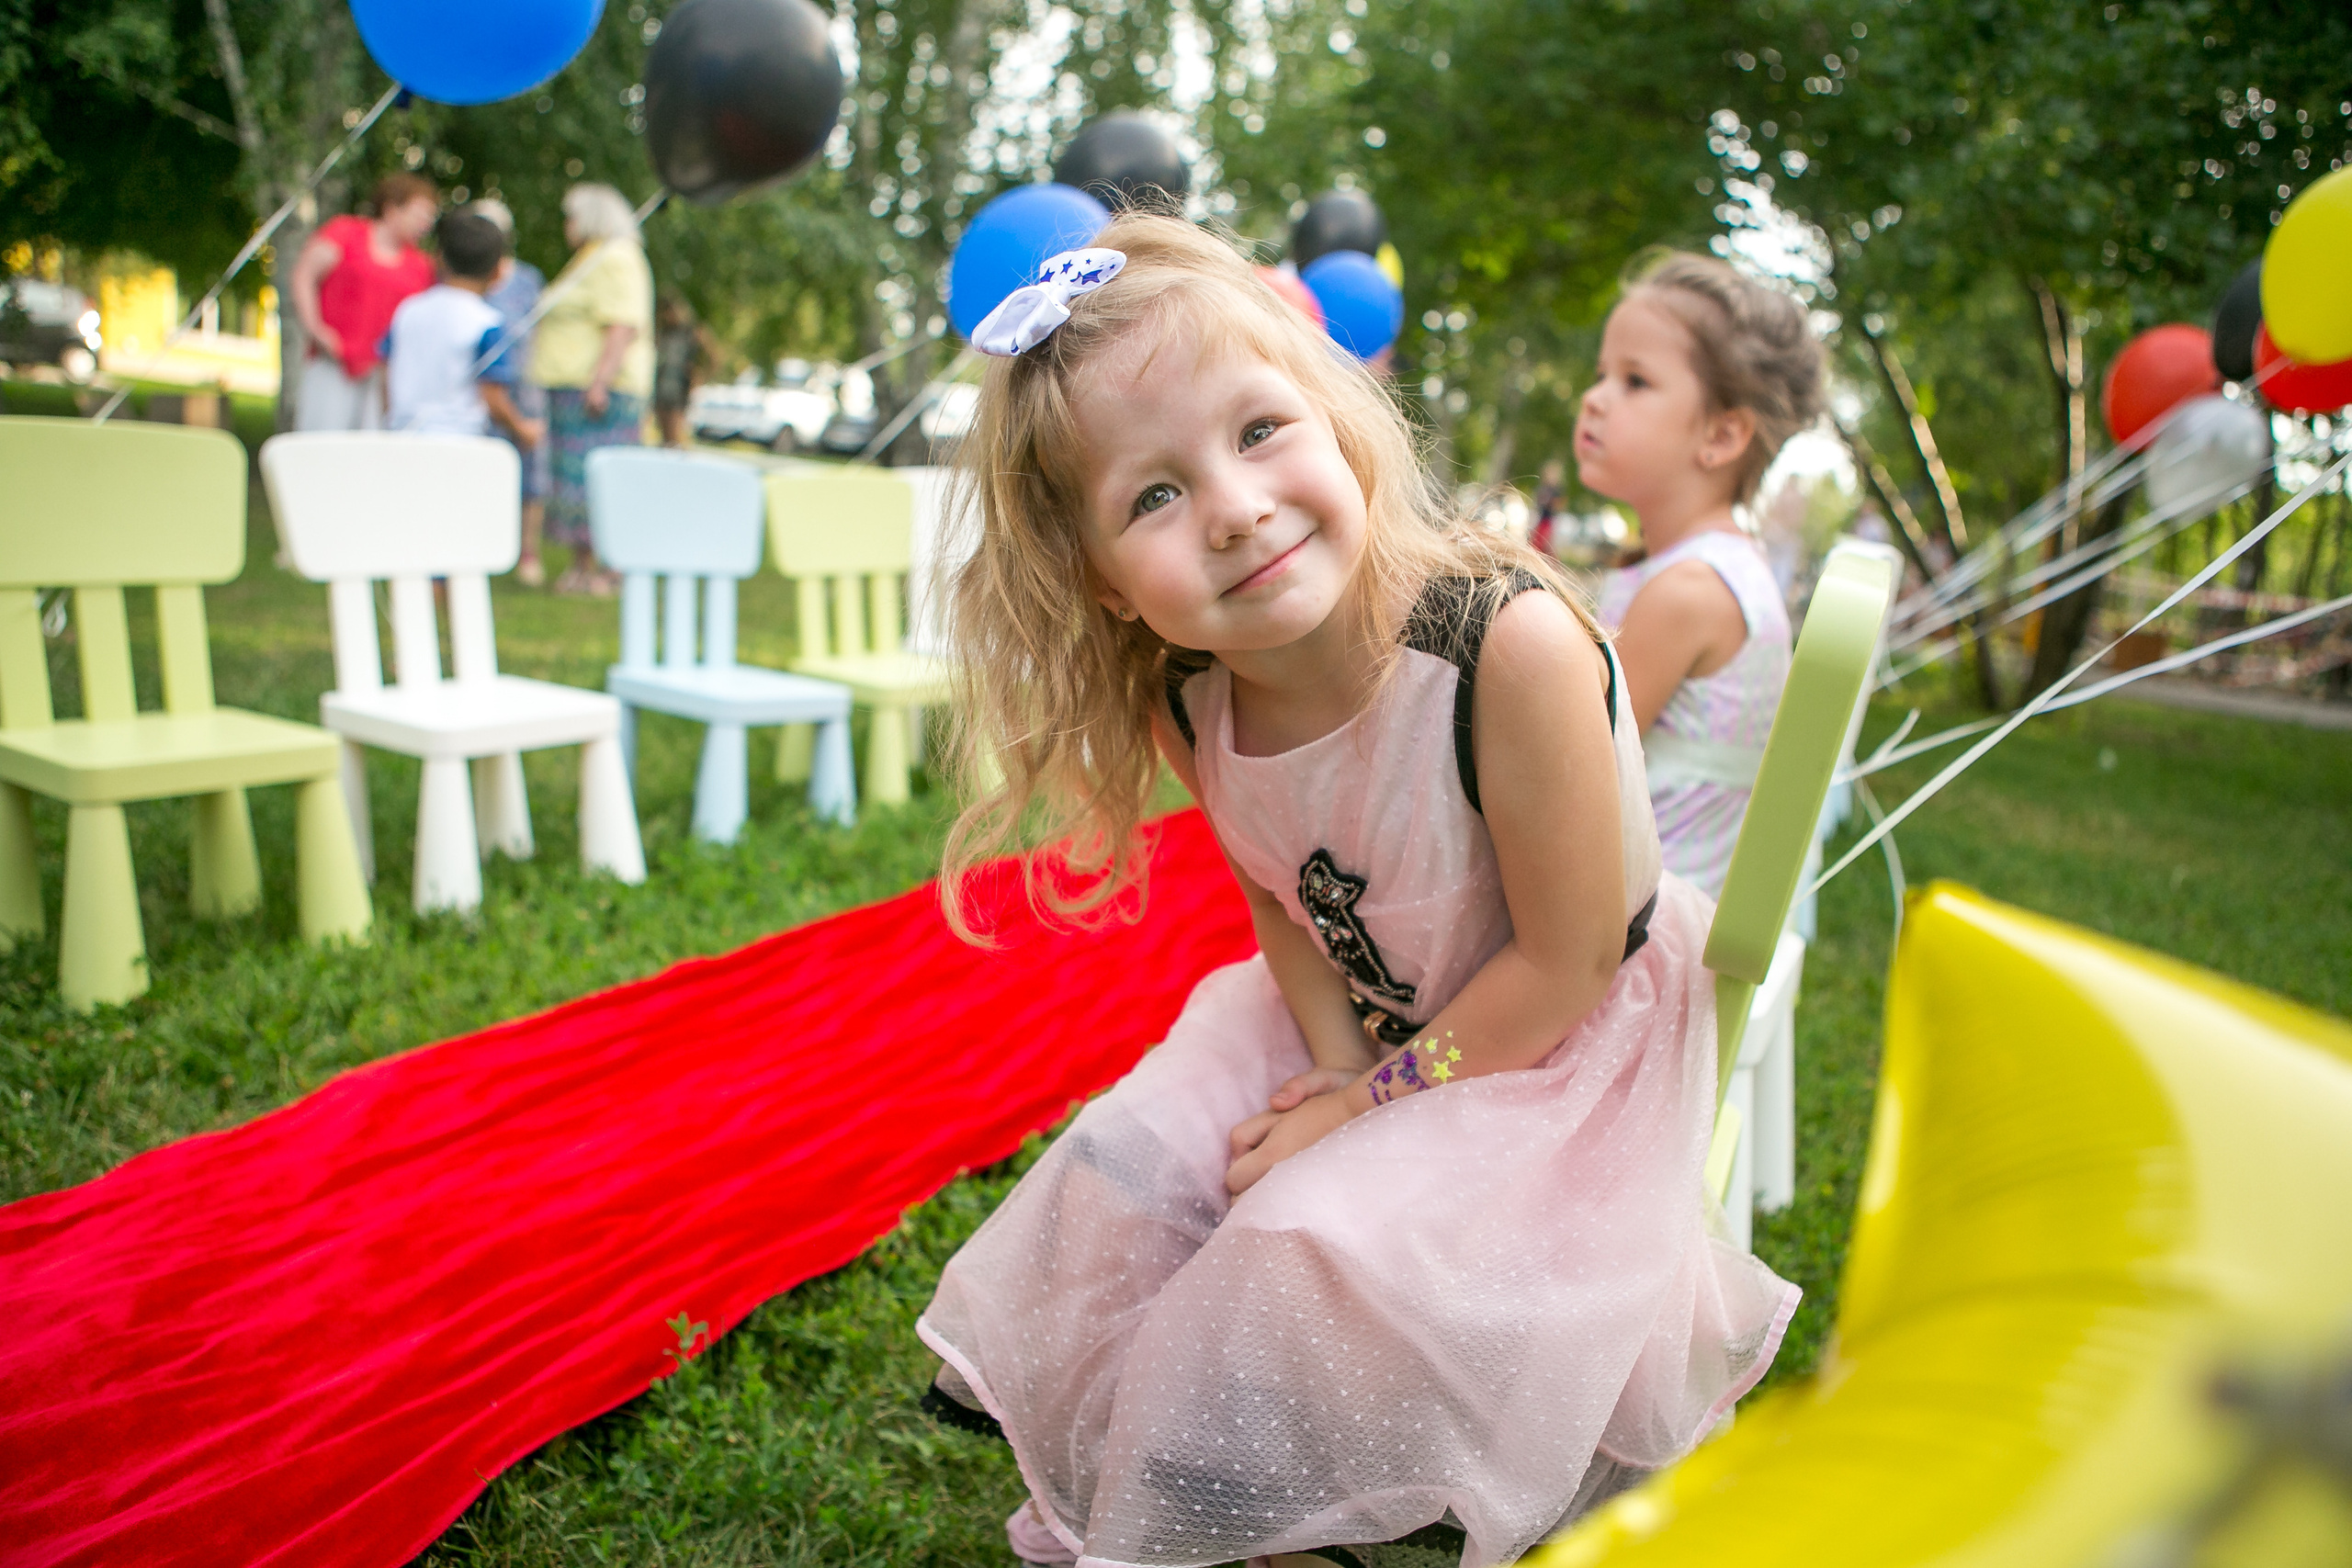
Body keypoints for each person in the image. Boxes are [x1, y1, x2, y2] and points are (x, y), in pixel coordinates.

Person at [915, 217, 1796, 1568]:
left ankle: (1282, 1497)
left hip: (1558, 1048)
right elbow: (1280, 889)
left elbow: (1565, 969)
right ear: (1105, 585)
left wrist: (1359, 1112)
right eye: (1152, 496)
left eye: (1260, 429)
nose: (1233, 504)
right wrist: (1329, 1063)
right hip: (1365, 1007)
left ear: (1335, 419)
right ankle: (1251, 1514)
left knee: (1298, 1235)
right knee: (1129, 1162)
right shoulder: (1188, 686)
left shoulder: (1509, 648)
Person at [1580, 252, 1826, 898]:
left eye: (1634, 381)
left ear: (1720, 435)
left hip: (1631, 943)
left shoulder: (1691, 591)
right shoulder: (1687, 569)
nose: (1595, 398)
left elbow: (1566, 760)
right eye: (1601, 373)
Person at [532, 182, 652, 594]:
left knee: (601, 482)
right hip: (573, 388)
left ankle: (613, 569)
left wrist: (600, 381)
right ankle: (582, 567)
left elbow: (622, 325)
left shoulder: (616, 257)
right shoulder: (590, 257)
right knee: (574, 482)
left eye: (572, 217)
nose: (567, 225)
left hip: (602, 391)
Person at [287, 174, 438, 431]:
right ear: (392, 208)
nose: (425, 224)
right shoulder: (345, 233)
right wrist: (316, 330)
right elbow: (304, 275)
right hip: (332, 362)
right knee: (321, 441)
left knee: (368, 450)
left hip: (381, 376)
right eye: (419, 214)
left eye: (430, 218)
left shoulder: (422, 266)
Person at [382, 211, 543, 454]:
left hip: (401, 436)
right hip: (459, 445)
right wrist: (522, 429)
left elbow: (385, 373)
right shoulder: (488, 323)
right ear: (498, 271)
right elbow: (493, 398)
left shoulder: (408, 310)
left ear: (439, 258)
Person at [467, 198, 554, 585]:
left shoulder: (528, 279)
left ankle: (527, 552)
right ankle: (483, 548)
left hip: (525, 384)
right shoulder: (466, 278)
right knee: (482, 465)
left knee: (532, 471)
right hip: (477, 386)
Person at [651, 296, 707, 448]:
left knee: (675, 434)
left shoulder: (693, 332)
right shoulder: (663, 333)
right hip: (662, 383)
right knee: (663, 435)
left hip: (680, 386)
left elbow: (714, 357)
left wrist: (700, 374)